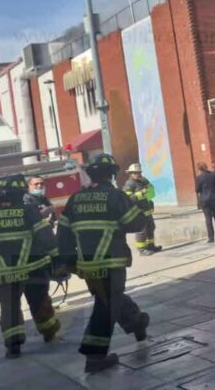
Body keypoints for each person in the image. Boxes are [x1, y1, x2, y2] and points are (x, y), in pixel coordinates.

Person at [57, 154, 151, 374]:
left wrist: (67, 260)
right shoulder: (115, 196)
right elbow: (136, 223)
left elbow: (62, 232)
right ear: (111, 174)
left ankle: (137, 322)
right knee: (106, 307)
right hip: (111, 262)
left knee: (109, 298)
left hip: (87, 266)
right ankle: (95, 357)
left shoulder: (75, 199)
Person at [0, 174, 61, 359]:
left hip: (3, 272)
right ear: (21, 193)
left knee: (9, 307)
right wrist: (57, 259)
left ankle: (13, 346)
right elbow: (45, 238)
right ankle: (49, 334)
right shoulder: (28, 210)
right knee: (39, 303)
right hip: (34, 269)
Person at [122, 163, 160, 255]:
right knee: (141, 231)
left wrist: (149, 187)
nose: (137, 174)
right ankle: (142, 250)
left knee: (151, 228)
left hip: (146, 210)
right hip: (138, 211)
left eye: (138, 172)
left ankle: (151, 246)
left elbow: (150, 191)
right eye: (135, 173)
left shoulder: (142, 181)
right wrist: (141, 193)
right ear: (130, 174)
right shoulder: (129, 184)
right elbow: (128, 198)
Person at [195, 163, 215, 243]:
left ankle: (211, 238)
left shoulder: (198, 178)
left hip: (205, 200)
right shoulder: (214, 174)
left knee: (208, 218)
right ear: (206, 167)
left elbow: (197, 190)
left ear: (199, 169)